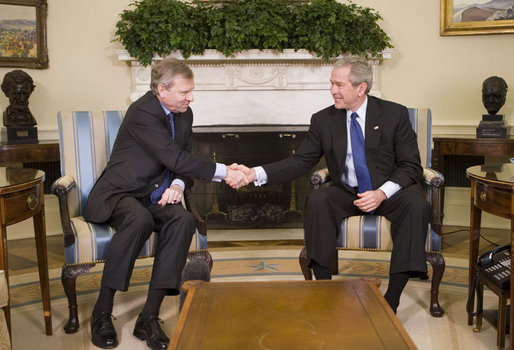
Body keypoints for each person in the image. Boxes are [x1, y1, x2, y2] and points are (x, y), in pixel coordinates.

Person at [233, 55, 431, 314]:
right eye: (331, 83)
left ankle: (391, 299)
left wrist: (382, 193)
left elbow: (411, 166)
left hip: (390, 191)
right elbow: (301, 160)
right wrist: (254, 174)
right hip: (347, 192)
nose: (332, 90)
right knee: (317, 200)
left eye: (339, 85)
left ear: (361, 88)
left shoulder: (394, 114)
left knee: (417, 203)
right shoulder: (323, 119)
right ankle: (323, 290)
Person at [84, 58, 247, 350]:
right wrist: (226, 172)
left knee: (183, 220)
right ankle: (101, 312)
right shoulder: (142, 112)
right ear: (162, 89)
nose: (191, 97)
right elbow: (175, 158)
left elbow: (183, 158)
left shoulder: (184, 113)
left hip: (156, 193)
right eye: (185, 91)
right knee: (139, 220)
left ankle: (148, 317)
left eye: (191, 91)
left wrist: (177, 185)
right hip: (122, 192)